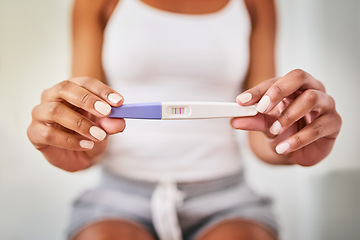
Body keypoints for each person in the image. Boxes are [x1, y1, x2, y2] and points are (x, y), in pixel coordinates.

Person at [27, 0, 342, 239]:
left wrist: (291, 140)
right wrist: (77, 145)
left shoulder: (255, 4)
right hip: (118, 196)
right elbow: (90, 118)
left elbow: (260, 123)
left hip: (228, 198)